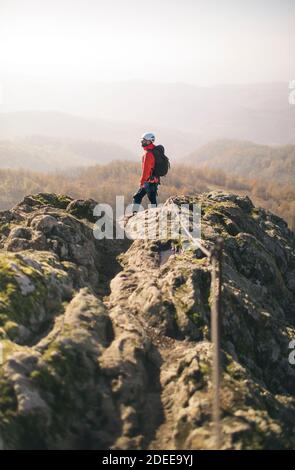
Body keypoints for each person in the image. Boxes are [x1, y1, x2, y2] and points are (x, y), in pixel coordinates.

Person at [132, 132, 160, 214]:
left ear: (149, 141)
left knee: (137, 197)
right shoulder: (155, 150)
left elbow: (146, 171)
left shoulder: (148, 154)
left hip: (148, 181)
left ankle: (134, 215)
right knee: (153, 199)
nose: (142, 142)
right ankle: (155, 215)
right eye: (142, 140)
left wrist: (142, 182)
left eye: (144, 141)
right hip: (155, 180)